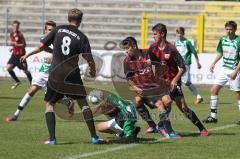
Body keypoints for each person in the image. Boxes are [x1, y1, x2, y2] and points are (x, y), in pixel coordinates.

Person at [29, 8, 106, 145]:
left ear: (68, 18)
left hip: (56, 73)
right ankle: (94, 137)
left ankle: (52, 139)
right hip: (72, 74)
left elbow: (41, 46)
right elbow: (89, 58)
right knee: (83, 104)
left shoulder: (58, 30)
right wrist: (93, 70)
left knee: (50, 104)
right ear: (80, 21)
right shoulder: (82, 37)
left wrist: (27, 55)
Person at [5, 21, 74, 122]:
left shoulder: (59, 40)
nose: (51, 31)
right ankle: (16, 115)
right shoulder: (44, 39)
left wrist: (55, 56)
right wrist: (27, 55)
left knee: (52, 99)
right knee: (32, 90)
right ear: (45, 30)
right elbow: (41, 48)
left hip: (55, 72)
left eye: (53, 30)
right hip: (45, 69)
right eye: (49, 30)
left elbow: (60, 53)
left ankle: (68, 102)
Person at [148, 23, 208, 136]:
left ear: (162, 34)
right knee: (166, 103)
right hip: (162, 83)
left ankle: (201, 128)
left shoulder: (171, 49)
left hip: (173, 83)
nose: (153, 36)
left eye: (155, 34)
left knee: (184, 108)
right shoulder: (152, 48)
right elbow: (151, 64)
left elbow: (183, 67)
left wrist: (175, 80)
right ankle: (165, 128)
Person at [122, 37, 177, 138]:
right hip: (143, 88)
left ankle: (161, 125)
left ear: (134, 46)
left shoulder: (148, 53)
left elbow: (160, 63)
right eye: (124, 48)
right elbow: (128, 78)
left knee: (168, 101)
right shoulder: (127, 61)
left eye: (127, 48)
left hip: (156, 86)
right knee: (140, 101)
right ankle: (165, 129)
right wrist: (136, 88)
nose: (126, 51)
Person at [203, 21, 240, 123]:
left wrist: (236, 71)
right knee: (213, 90)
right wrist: (213, 63)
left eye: (230, 29)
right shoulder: (223, 39)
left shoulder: (239, 40)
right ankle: (213, 117)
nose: (228, 31)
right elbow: (220, 52)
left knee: (238, 94)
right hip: (224, 69)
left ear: (235, 30)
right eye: (227, 29)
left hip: (234, 69)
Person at [174, 27, 203, 104]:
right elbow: (174, 53)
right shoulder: (175, 42)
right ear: (176, 34)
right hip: (178, 63)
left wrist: (198, 62)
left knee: (185, 81)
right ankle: (198, 97)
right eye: (178, 33)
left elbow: (194, 52)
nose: (179, 35)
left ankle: (198, 97)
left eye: (181, 33)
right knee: (184, 81)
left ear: (183, 34)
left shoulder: (187, 42)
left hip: (186, 63)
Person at [6, 20, 32, 89]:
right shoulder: (11, 34)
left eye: (17, 26)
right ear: (12, 26)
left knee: (26, 71)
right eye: (14, 26)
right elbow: (14, 44)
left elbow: (24, 45)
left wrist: (16, 44)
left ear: (18, 27)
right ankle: (17, 81)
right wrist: (12, 48)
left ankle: (32, 84)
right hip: (14, 55)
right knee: (8, 68)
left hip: (21, 55)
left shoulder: (20, 34)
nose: (16, 27)